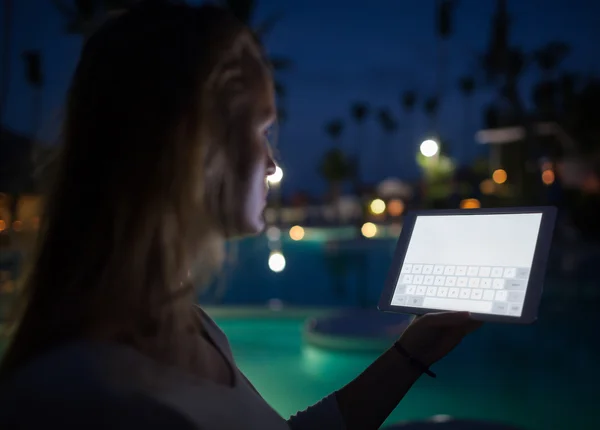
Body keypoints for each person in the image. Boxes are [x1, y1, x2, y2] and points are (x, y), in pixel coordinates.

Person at [0, 2, 482, 429]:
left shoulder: (188, 323)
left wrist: (413, 351)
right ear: (193, 147)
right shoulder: (83, 398)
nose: (272, 164)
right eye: (262, 130)